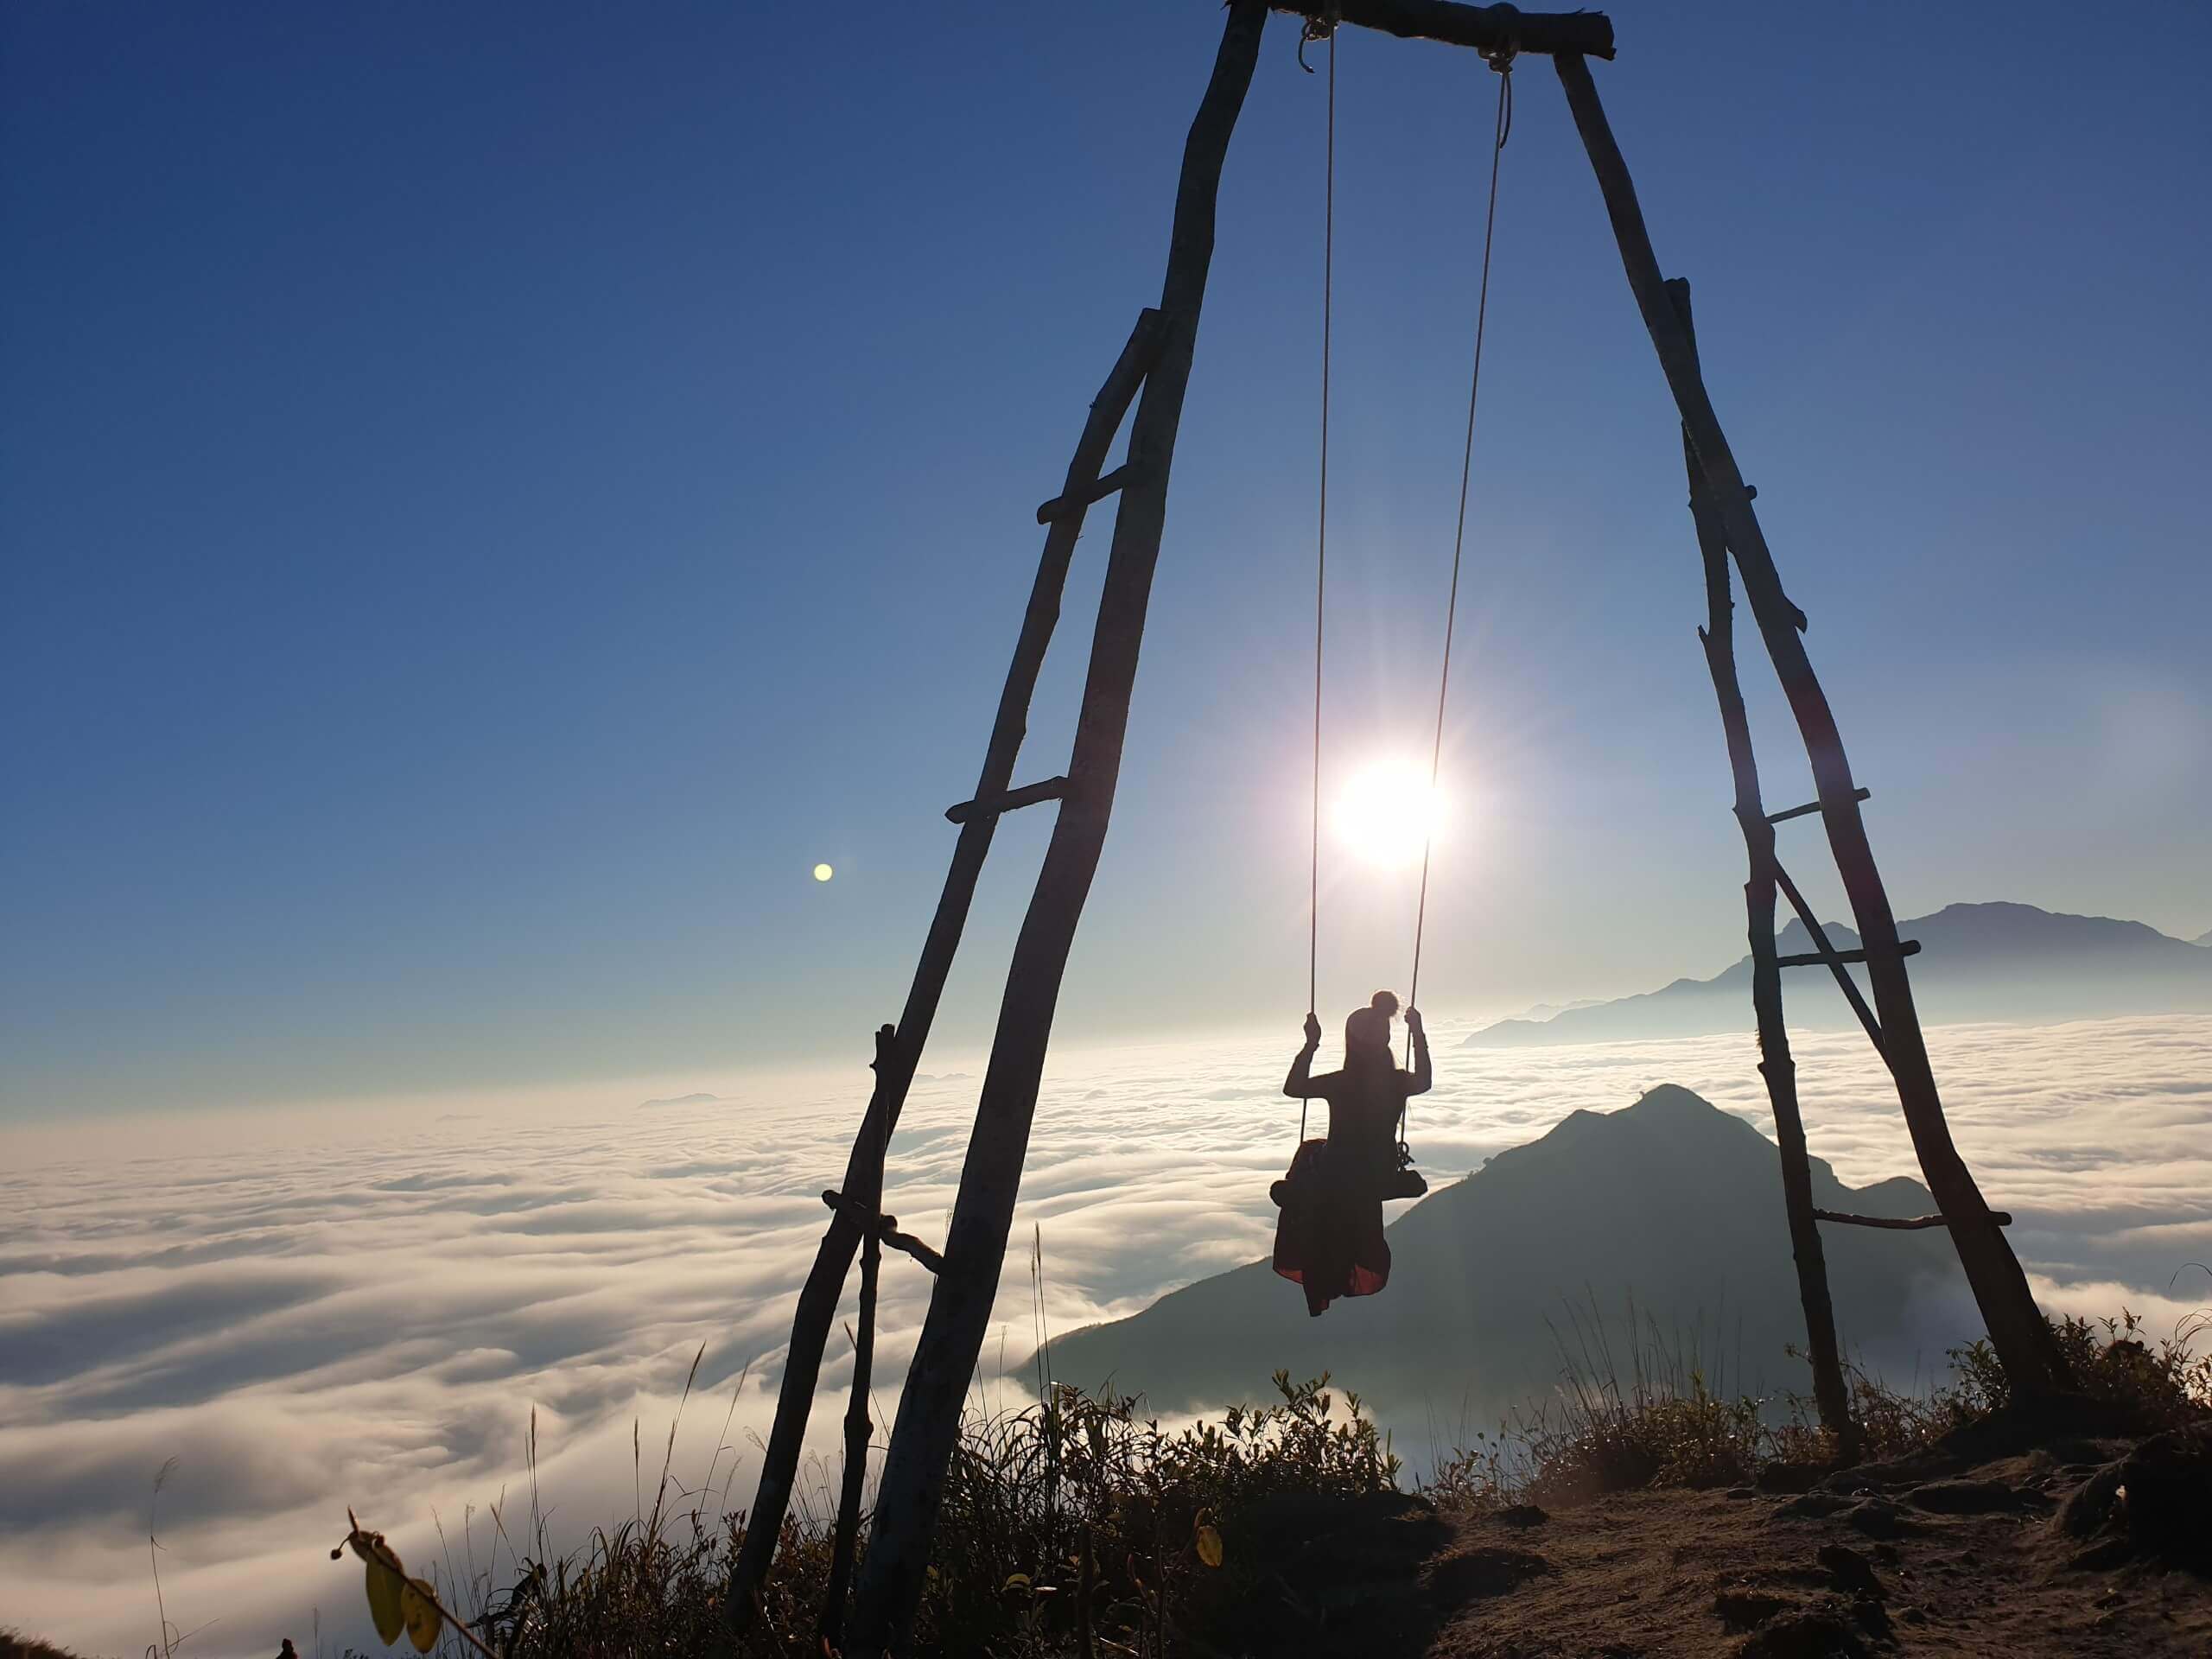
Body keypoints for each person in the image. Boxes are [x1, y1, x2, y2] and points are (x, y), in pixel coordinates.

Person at [1271, 990, 1431, 1317]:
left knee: (1308, 1154)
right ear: (1385, 1040)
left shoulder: (1342, 1082)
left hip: (1335, 1170)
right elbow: (1425, 1081)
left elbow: (1294, 1088)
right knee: (1311, 1159)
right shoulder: (1397, 1082)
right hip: (1378, 1170)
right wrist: (1417, 1032)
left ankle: (1304, 1215)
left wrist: (1311, 1044)